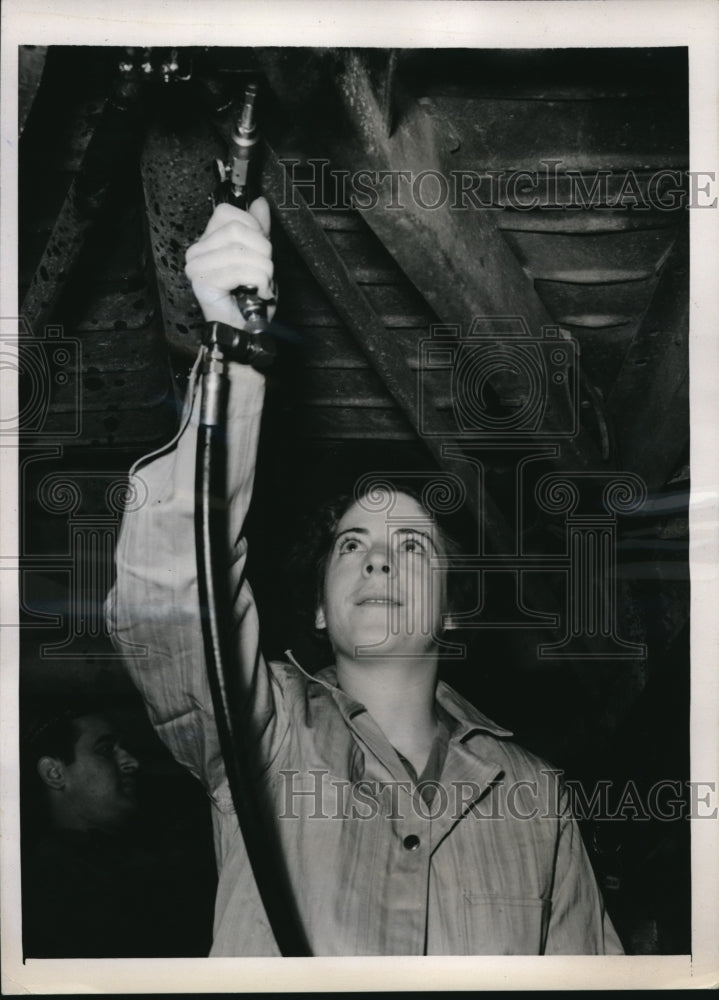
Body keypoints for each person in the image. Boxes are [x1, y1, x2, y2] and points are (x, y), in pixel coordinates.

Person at [107, 197, 623, 956]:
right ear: (317, 608)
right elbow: (171, 598)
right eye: (350, 545)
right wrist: (235, 358)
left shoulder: (534, 796)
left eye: (412, 546)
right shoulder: (261, 740)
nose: (377, 557)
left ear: (453, 611)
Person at [21, 704, 214, 957]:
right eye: (105, 750)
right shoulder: (48, 888)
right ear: (54, 773)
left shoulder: (137, 856)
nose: (132, 762)